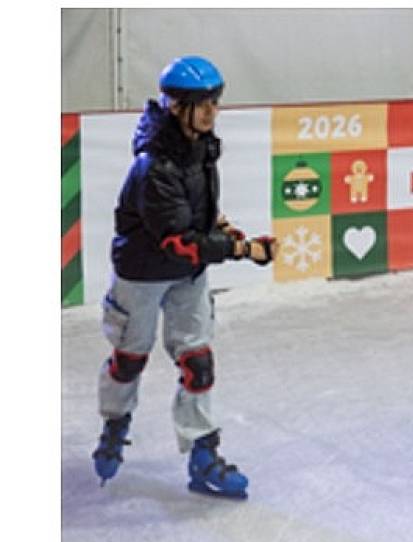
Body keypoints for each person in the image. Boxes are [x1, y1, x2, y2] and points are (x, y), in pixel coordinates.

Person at [91, 55, 278, 499]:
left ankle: (203, 456)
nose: (212, 112)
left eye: (215, 102)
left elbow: (197, 212)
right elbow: (180, 241)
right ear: (176, 107)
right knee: (129, 359)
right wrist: (243, 250)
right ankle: (115, 425)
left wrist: (223, 227)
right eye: (202, 104)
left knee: (198, 362)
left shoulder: (200, 147)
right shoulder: (154, 167)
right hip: (142, 273)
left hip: (186, 276)